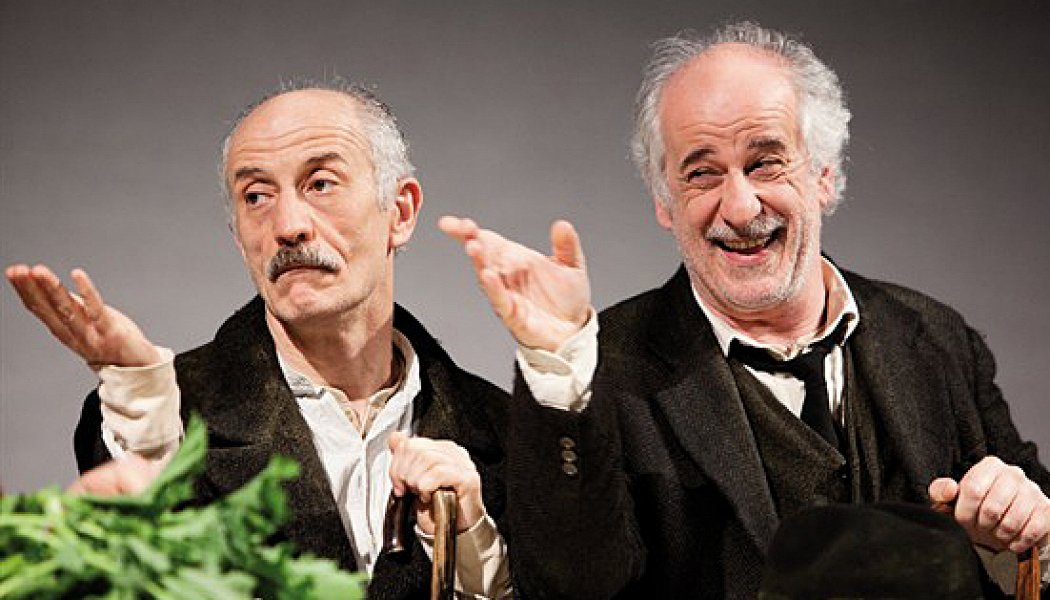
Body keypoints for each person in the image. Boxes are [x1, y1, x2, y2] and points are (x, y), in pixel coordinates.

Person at [441, 22, 1050, 598]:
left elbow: (1032, 538)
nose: (739, 206)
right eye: (702, 173)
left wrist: (1031, 536)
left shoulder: (935, 337)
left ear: (824, 176)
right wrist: (559, 363)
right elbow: (572, 589)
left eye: (764, 163)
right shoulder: (604, 371)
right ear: (664, 203)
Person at [7, 82, 511, 599]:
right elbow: (140, 566)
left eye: (320, 184)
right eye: (256, 196)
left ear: (400, 212)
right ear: (237, 236)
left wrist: (471, 546)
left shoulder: (506, 427)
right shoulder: (157, 413)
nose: (288, 226)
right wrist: (141, 399)